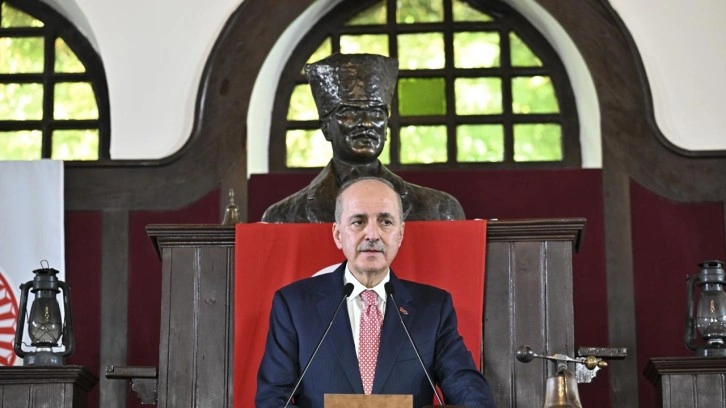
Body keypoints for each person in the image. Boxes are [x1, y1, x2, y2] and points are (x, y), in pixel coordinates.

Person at [256, 177, 496, 408]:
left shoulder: (433, 308)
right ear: (338, 235)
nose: (372, 234)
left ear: (400, 234)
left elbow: (466, 387)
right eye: (358, 222)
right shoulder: (294, 305)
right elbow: (273, 399)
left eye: (385, 222)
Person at [261, 53, 465, 223]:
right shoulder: (282, 218)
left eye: (376, 113)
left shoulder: (440, 210)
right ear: (325, 128)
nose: (366, 123)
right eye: (350, 112)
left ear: (386, 128)